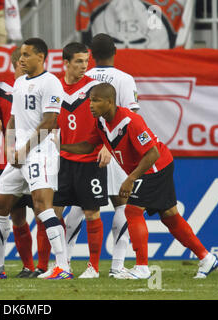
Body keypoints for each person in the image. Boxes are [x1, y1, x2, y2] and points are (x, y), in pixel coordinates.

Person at [60, 82, 218, 279]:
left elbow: (151, 153)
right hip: (149, 167)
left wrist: (131, 179)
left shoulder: (131, 121)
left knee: (132, 210)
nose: (90, 105)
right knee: (169, 216)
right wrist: (62, 146)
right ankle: (206, 257)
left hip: (155, 165)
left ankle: (142, 267)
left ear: (110, 102)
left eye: (96, 100)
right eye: (90, 100)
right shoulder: (101, 122)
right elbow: (88, 146)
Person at [0, 37, 73, 280]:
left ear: (41, 57)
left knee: (43, 207)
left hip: (40, 153)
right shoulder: (19, 82)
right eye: (21, 54)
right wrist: (10, 147)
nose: (21, 58)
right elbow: (12, 119)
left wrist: (25, 149)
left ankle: (63, 267)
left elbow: (50, 121)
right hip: (17, 155)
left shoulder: (51, 82)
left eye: (27, 54)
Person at [72, 32, 139, 277]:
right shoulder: (125, 78)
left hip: (86, 150)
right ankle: (117, 265)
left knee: (80, 208)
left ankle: (64, 263)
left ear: (91, 54)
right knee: (122, 204)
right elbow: (130, 118)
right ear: (115, 52)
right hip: (115, 149)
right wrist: (109, 146)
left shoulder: (83, 77)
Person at [51, 42, 108, 278]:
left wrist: (107, 146)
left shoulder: (96, 88)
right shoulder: (54, 87)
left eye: (86, 61)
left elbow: (111, 119)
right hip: (62, 160)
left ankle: (93, 267)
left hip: (90, 160)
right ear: (65, 62)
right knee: (53, 212)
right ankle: (61, 264)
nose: (84, 66)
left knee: (91, 213)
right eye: (78, 61)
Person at [0, 47, 35, 278]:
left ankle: (45, 266)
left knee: (43, 211)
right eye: (22, 60)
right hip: (11, 160)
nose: (25, 63)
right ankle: (27, 266)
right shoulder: (3, 90)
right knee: (16, 216)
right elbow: (2, 119)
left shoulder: (42, 85)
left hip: (38, 157)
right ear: (15, 64)